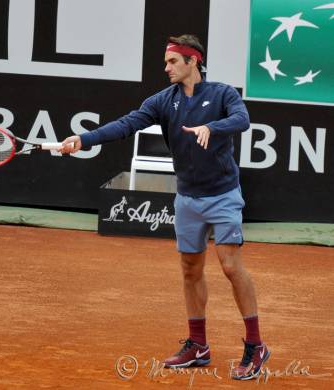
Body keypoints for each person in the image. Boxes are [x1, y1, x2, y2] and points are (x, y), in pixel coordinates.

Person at [59, 34, 270, 380]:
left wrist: (211, 127)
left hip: (222, 195)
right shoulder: (163, 101)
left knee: (231, 267)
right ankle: (198, 345)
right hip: (187, 197)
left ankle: (255, 345)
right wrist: (84, 139)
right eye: (166, 62)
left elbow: (242, 119)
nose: (166, 67)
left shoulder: (222, 93)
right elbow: (127, 124)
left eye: (173, 61)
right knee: (190, 269)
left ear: (192, 61)